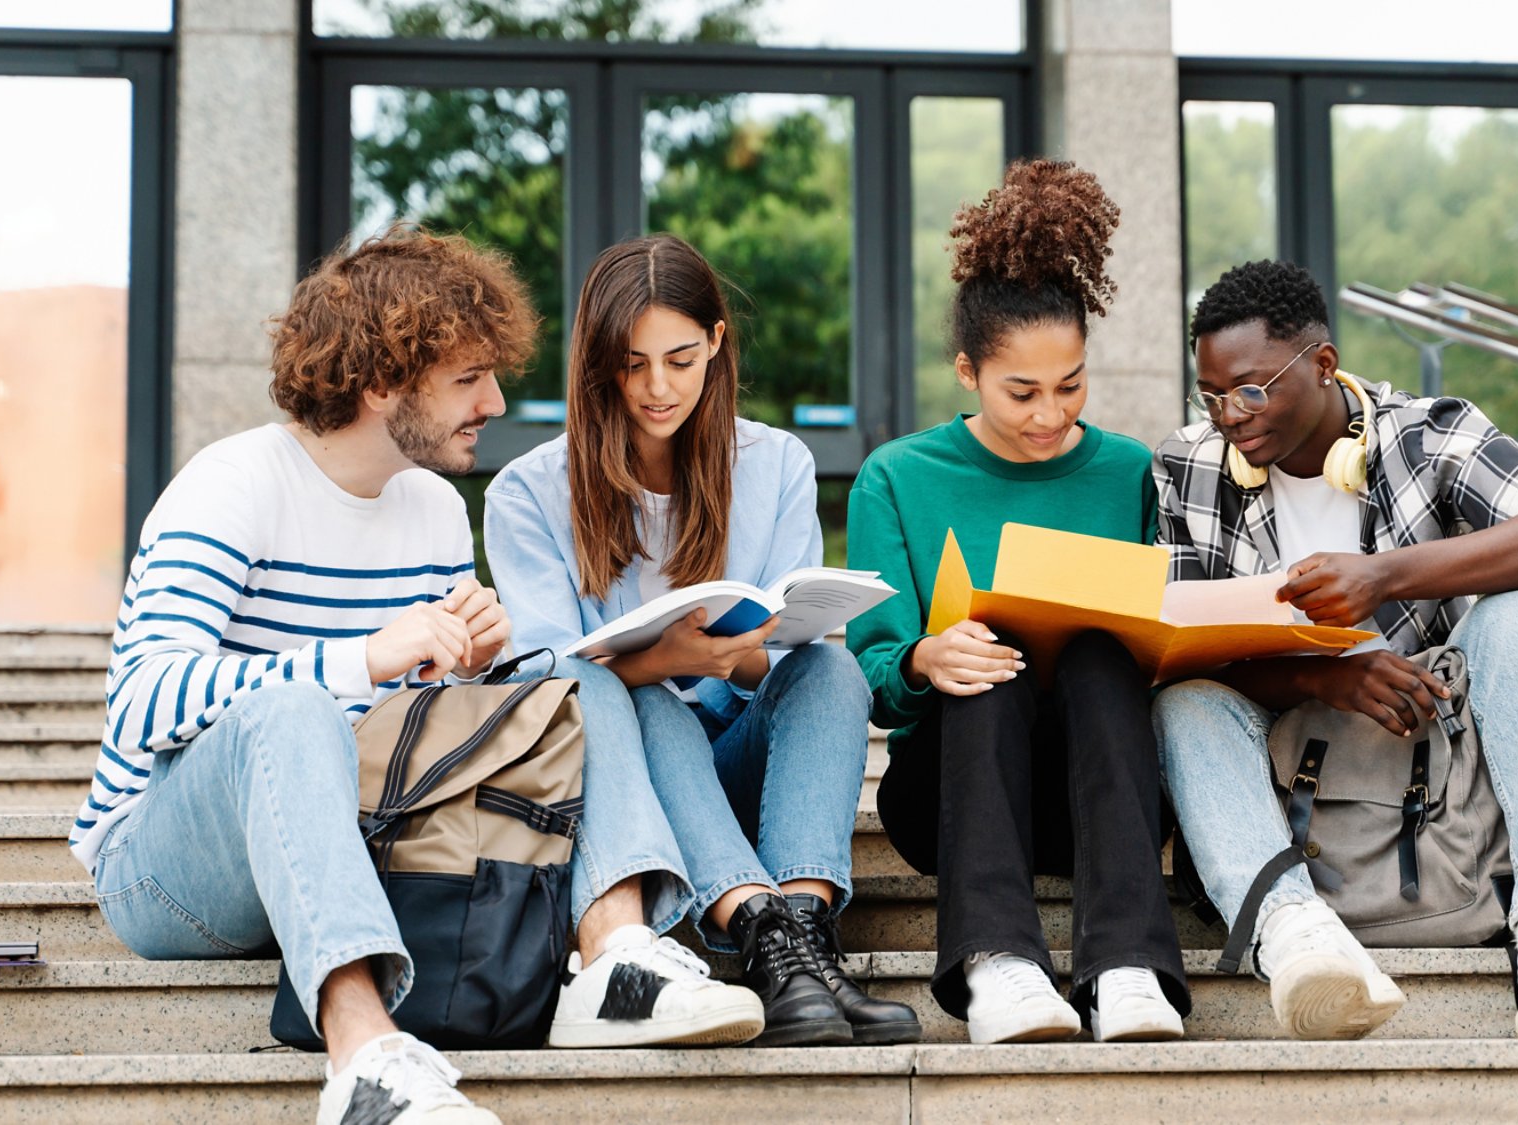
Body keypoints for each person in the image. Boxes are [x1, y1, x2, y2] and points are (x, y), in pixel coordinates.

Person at [73, 228, 542, 1123]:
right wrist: (363, 655)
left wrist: (472, 661)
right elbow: (141, 703)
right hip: (162, 868)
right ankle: (363, 1060)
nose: (495, 398)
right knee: (292, 709)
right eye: (467, 378)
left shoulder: (438, 507)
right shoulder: (232, 486)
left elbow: (408, 724)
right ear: (381, 383)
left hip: (341, 840)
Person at [1152, 259, 1518, 1041]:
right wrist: (1326, 674)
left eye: (1251, 390)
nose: (1229, 415)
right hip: (1287, 756)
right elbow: (1179, 642)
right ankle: (1293, 933)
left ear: (1325, 364)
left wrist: (1384, 577)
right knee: (1182, 699)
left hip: (1427, 753)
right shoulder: (1189, 466)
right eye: (1211, 396)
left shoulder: (1427, 433)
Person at [485, 233, 920, 1048]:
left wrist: (743, 649)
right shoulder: (529, 492)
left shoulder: (775, 462)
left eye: (681, 359)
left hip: (744, 755)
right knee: (638, 692)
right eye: (632, 362)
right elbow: (549, 677)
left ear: (717, 344)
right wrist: (666, 658)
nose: (657, 387)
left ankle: (803, 940)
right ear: (596, 362)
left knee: (828, 667)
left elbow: (782, 656)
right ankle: (759, 931)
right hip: (627, 786)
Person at [847, 159, 1191, 1045]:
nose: (1051, 413)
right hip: (952, 794)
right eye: (1022, 391)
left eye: (1072, 383)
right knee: (987, 645)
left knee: (1098, 651)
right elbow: (872, 673)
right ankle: (997, 964)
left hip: (1100, 788)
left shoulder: (1128, 471)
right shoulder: (896, 476)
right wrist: (926, 657)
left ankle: (1129, 969)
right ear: (968, 370)